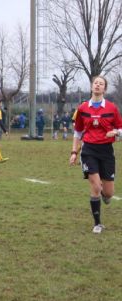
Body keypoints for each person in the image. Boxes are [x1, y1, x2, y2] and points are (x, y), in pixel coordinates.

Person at [69, 75, 122, 234]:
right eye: (96, 83)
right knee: (96, 186)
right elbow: (78, 132)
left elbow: (121, 129)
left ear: (104, 89)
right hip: (89, 150)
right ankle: (97, 223)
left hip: (106, 151)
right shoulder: (83, 108)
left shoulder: (112, 108)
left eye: (101, 84)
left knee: (108, 193)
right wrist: (73, 152)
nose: (98, 85)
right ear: (92, 87)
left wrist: (115, 132)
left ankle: (106, 196)